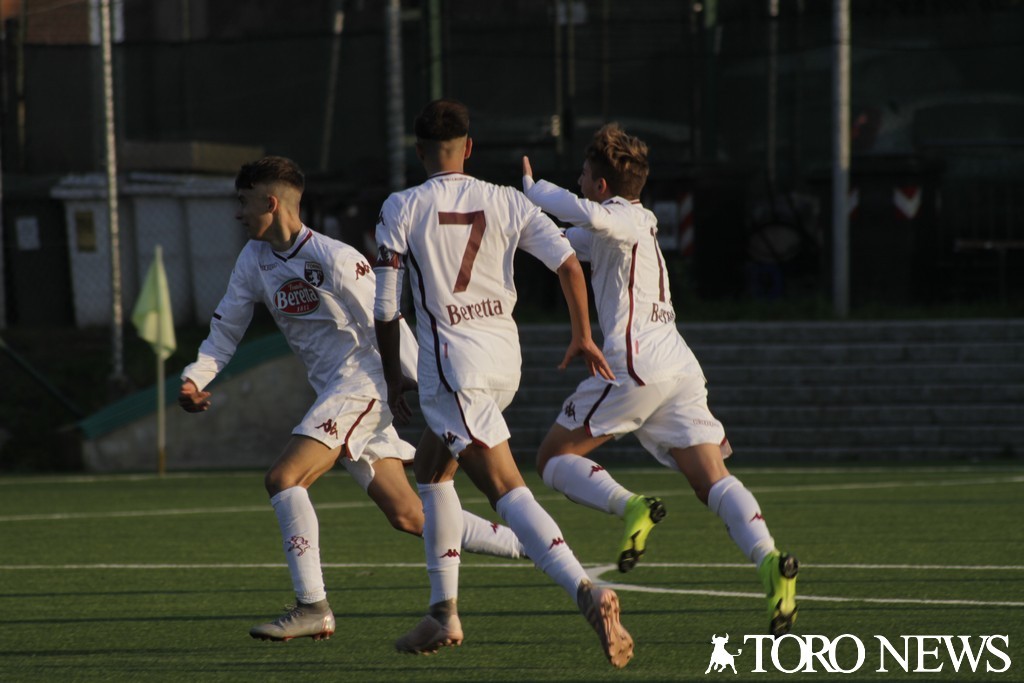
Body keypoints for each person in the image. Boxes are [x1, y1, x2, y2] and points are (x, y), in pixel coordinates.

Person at [178, 155, 527, 643]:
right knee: (409, 515)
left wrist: (425, 381)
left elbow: (389, 320)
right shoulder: (252, 261)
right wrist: (196, 378)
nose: (238, 213)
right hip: (336, 392)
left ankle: (312, 606)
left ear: (271, 202)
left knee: (283, 478)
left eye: (243, 201)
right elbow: (224, 331)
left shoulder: (334, 258)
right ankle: (527, 541)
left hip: (364, 383)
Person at [373, 99, 633, 668]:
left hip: (453, 369)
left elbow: (387, 307)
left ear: (418, 153)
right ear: (469, 148)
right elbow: (568, 264)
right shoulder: (507, 199)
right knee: (431, 470)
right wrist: (583, 335)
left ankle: (585, 590)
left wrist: (394, 376)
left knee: (506, 490)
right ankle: (443, 612)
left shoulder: (402, 206)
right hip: (502, 361)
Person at [521, 124, 799, 637]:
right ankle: (768, 561)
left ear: (602, 185)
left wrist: (533, 190)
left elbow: (583, 215)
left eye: (583, 174)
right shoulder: (628, 225)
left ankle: (633, 507)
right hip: (678, 365)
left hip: (637, 363)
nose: (578, 180)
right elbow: (561, 242)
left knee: (552, 460)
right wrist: (515, 220)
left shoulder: (623, 217)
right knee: (712, 481)